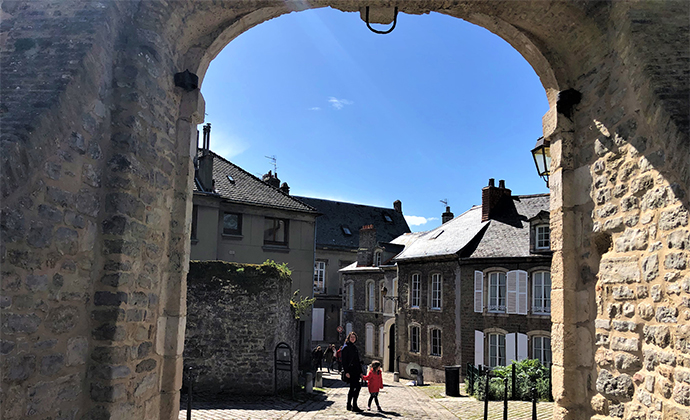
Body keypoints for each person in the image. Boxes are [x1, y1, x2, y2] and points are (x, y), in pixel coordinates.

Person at [341, 332, 363, 412]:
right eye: (351, 337)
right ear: (349, 338)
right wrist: (346, 372)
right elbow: (344, 361)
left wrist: (360, 372)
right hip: (350, 371)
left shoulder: (354, 347)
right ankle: (354, 405)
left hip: (356, 371)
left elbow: (357, 361)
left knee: (353, 388)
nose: (353, 338)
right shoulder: (346, 347)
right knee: (356, 387)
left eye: (354, 337)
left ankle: (349, 405)